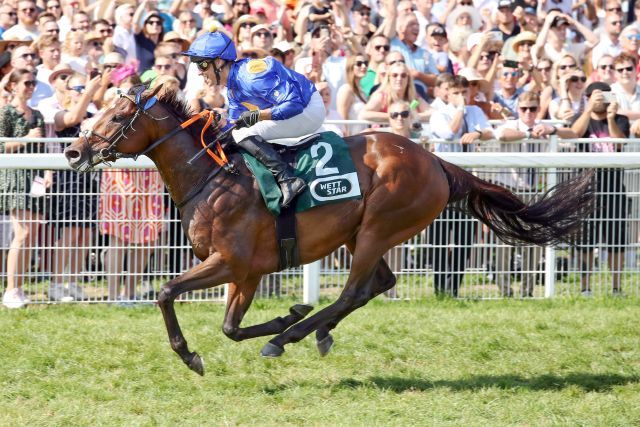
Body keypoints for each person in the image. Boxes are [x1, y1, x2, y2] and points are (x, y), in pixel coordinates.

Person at [181, 28, 324, 209]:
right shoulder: (232, 88)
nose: (199, 72)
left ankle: (287, 179)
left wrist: (258, 115)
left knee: (243, 135)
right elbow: (233, 127)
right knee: (236, 136)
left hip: (309, 109)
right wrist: (218, 123)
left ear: (218, 62)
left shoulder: (251, 77)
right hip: (298, 110)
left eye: (201, 64)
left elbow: (294, 104)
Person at [570, 82, 629, 296]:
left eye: (602, 95)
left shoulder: (620, 119)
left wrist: (611, 118)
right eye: (594, 95)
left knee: (616, 239)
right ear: (586, 97)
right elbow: (574, 133)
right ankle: (585, 288)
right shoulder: (581, 118)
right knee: (585, 240)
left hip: (614, 187)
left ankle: (616, 288)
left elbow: (620, 144)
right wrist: (587, 109)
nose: (599, 100)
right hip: (586, 187)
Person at [0, 69, 47, 308]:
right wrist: (26, 138)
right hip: (15, 178)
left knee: (31, 234)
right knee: (22, 234)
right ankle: (10, 289)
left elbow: (44, 150)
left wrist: (48, 173)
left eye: (33, 82)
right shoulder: (6, 113)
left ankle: (18, 287)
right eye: (26, 82)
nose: (30, 86)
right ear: (14, 86)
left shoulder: (37, 114)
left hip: (35, 180)